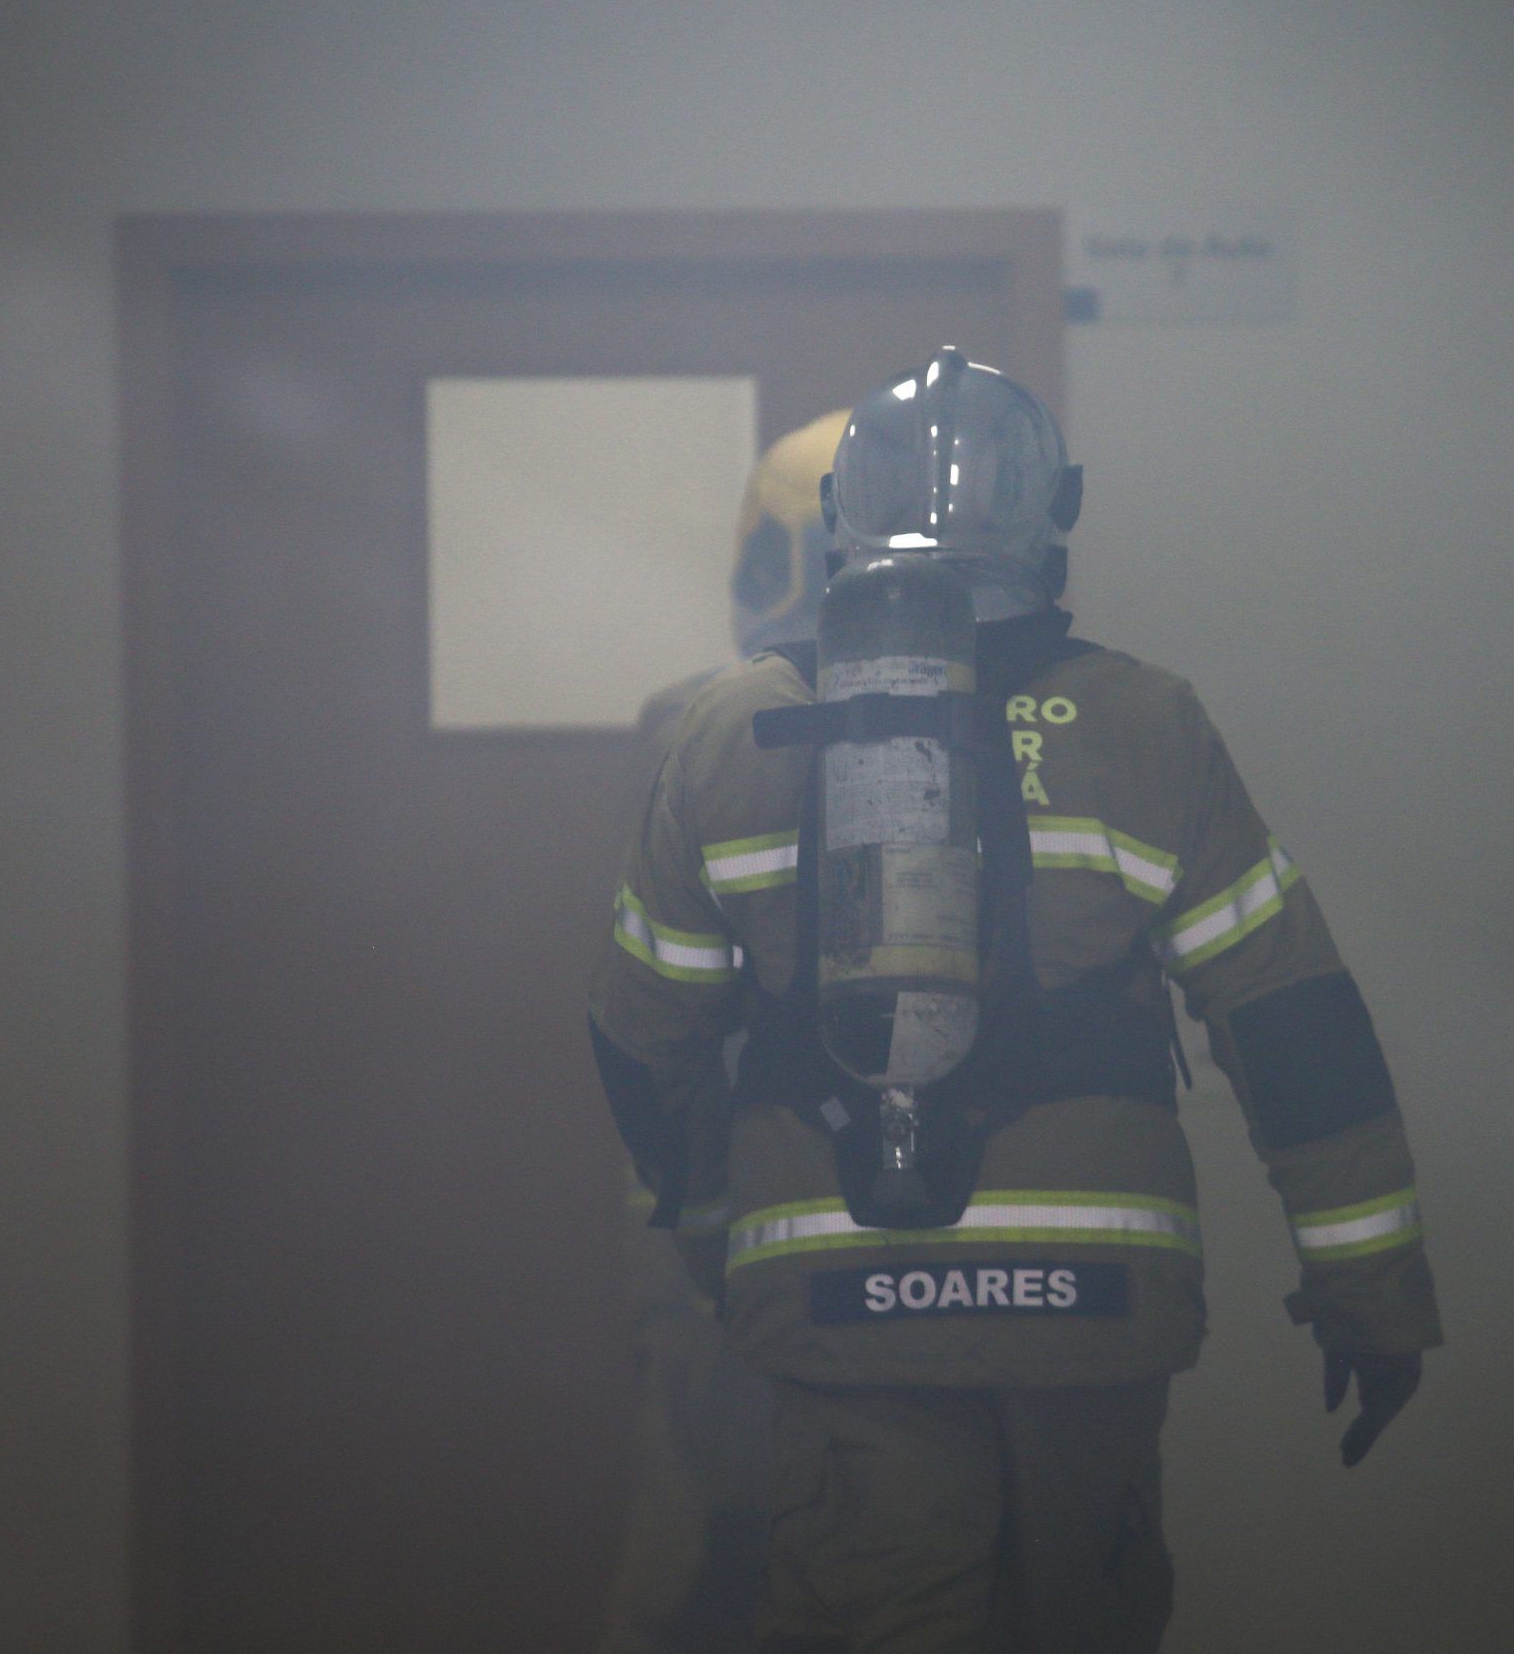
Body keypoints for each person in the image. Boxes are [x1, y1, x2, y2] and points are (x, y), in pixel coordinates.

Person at [588, 350, 1443, 1653]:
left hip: (841, 1298)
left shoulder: (730, 732)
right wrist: (1369, 1293)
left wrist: (715, 1240)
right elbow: (1295, 1028)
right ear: (1060, 511)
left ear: (840, 520)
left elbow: (644, 1041)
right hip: (1092, 1305)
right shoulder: (1147, 725)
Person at [595, 410, 851, 1654]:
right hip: (741, 1223)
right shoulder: (706, 730)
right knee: (724, 1553)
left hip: (752, 1224)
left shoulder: (696, 724)